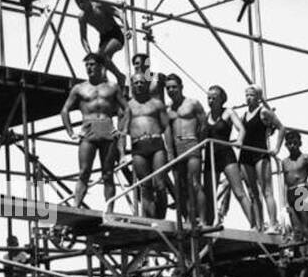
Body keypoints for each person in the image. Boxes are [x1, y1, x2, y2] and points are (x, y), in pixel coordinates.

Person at [61, 53, 124, 210]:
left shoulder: (112, 87)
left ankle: (109, 209)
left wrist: (123, 130)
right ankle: (76, 205)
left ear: (101, 67)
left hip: (107, 128)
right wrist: (71, 132)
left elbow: (126, 109)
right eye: (87, 65)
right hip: (88, 130)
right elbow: (65, 110)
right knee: (84, 172)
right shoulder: (79, 88)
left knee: (108, 173)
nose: (89, 68)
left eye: (92, 64)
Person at [121, 72, 174, 218]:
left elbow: (167, 127)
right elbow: (122, 131)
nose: (139, 85)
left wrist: (170, 151)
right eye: (136, 83)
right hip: (138, 146)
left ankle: (161, 216)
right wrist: (121, 154)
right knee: (145, 186)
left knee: (160, 184)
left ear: (147, 84)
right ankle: (150, 218)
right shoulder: (127, 106)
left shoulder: (156, 103)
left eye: (142, 82)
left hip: (156, 143)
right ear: (132, 85)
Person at [203, 86, 255, 229]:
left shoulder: (228, 112)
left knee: (239, 192)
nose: (211, 100)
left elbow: (242, 129)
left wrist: (239, 140)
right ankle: (210, 224)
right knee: (209, 195)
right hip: (210, 156)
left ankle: (255, 224)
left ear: (221, 99)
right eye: (209, 97)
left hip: (225, 153)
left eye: (214, 97)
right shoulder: (206, 116)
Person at [237, 85, 283, 232]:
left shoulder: (263, 112)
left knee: (266, 190)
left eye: (251, 95)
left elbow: (281, 127)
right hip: (246, 154)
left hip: (259, 153)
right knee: (252, 192)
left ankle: (273, 224)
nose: (248, 98)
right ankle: (258, 225)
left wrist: (276, 148)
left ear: (258, 97)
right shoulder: (243, 115)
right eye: (246, 95)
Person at [164, 74, 207, 226]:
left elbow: (203, 124)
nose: (171, 90)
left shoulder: (193, 103)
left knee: (195, 183)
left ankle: (202, 219)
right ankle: (189, 218)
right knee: (181, 186)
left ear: (181, 87)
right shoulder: (167, 109)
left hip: (191, 143)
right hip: (177, 147)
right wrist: (169, 152)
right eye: (168, 87)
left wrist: (199, 143)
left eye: (174, 87)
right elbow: (167, 131)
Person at [73, 0, 126, 84]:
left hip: (115, 33)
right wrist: (89, 53)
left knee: (101, 56)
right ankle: (105, 84)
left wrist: (127, 27)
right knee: (99, 64)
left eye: (82, 2)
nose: (80, 5)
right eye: (77, 3)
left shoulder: (99, 5)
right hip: (103, 37)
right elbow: (83, 38)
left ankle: (120, 76)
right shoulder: (82, 17)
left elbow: (118, 13)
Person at [281, 130, 308, 247]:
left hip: (301, 191)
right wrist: (285, 203)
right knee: (296, 229)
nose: (292, 146)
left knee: (306, 227)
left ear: (299, 143)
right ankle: (299, 255)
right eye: (290, 143)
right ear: (286, 145)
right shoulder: (284, 162)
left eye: (295, 143)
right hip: (290, 193)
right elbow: (284, 182)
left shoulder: (305, 158)